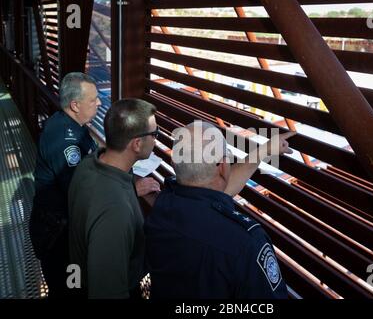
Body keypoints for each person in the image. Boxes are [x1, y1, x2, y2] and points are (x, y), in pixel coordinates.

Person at [145, 120, 294, 298]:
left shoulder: (164, 202)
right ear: (223, 167)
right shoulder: (246, 243)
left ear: (174, 162)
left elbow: (214, 190)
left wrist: (264, 151)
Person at [68, 98, 159, 298]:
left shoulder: (89, 163)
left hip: (77, 276)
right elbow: (108, 292)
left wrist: (130, 192)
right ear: (137, 144)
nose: (156, 139)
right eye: (154, 134)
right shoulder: (114, 211)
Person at [30, 72, 101, 297]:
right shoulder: (64, 139)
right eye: (93, 99)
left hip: (64, 227)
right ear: (75, 105)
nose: (99, 102)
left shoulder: (72, 124)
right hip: (58, 236)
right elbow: (78, 191)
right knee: (70, 290)